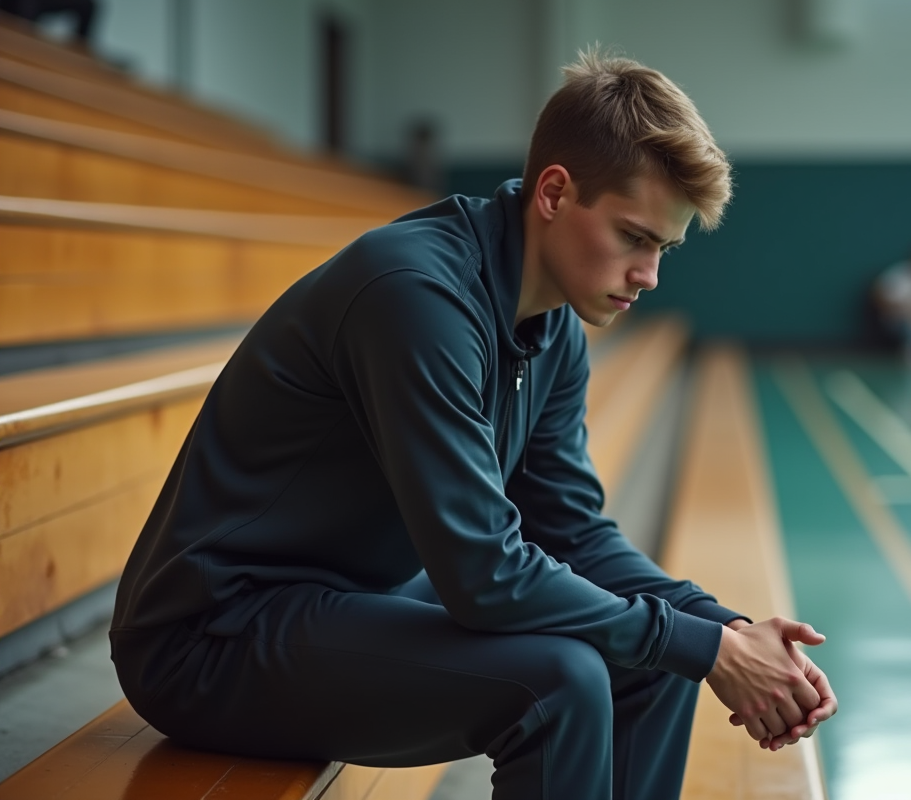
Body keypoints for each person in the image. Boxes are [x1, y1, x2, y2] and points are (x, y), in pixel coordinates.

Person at [109, 50, 837, 800]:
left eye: (665, 248)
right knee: (560, 683)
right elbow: (483, 575)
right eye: (634, 237)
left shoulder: (553, 325)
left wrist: (727, 633)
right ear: (555, 191)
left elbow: (574, 534)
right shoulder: (414, 295)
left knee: (655, 661)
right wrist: (705, 644)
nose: (650, 274)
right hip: (211, 636)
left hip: (352, 603)